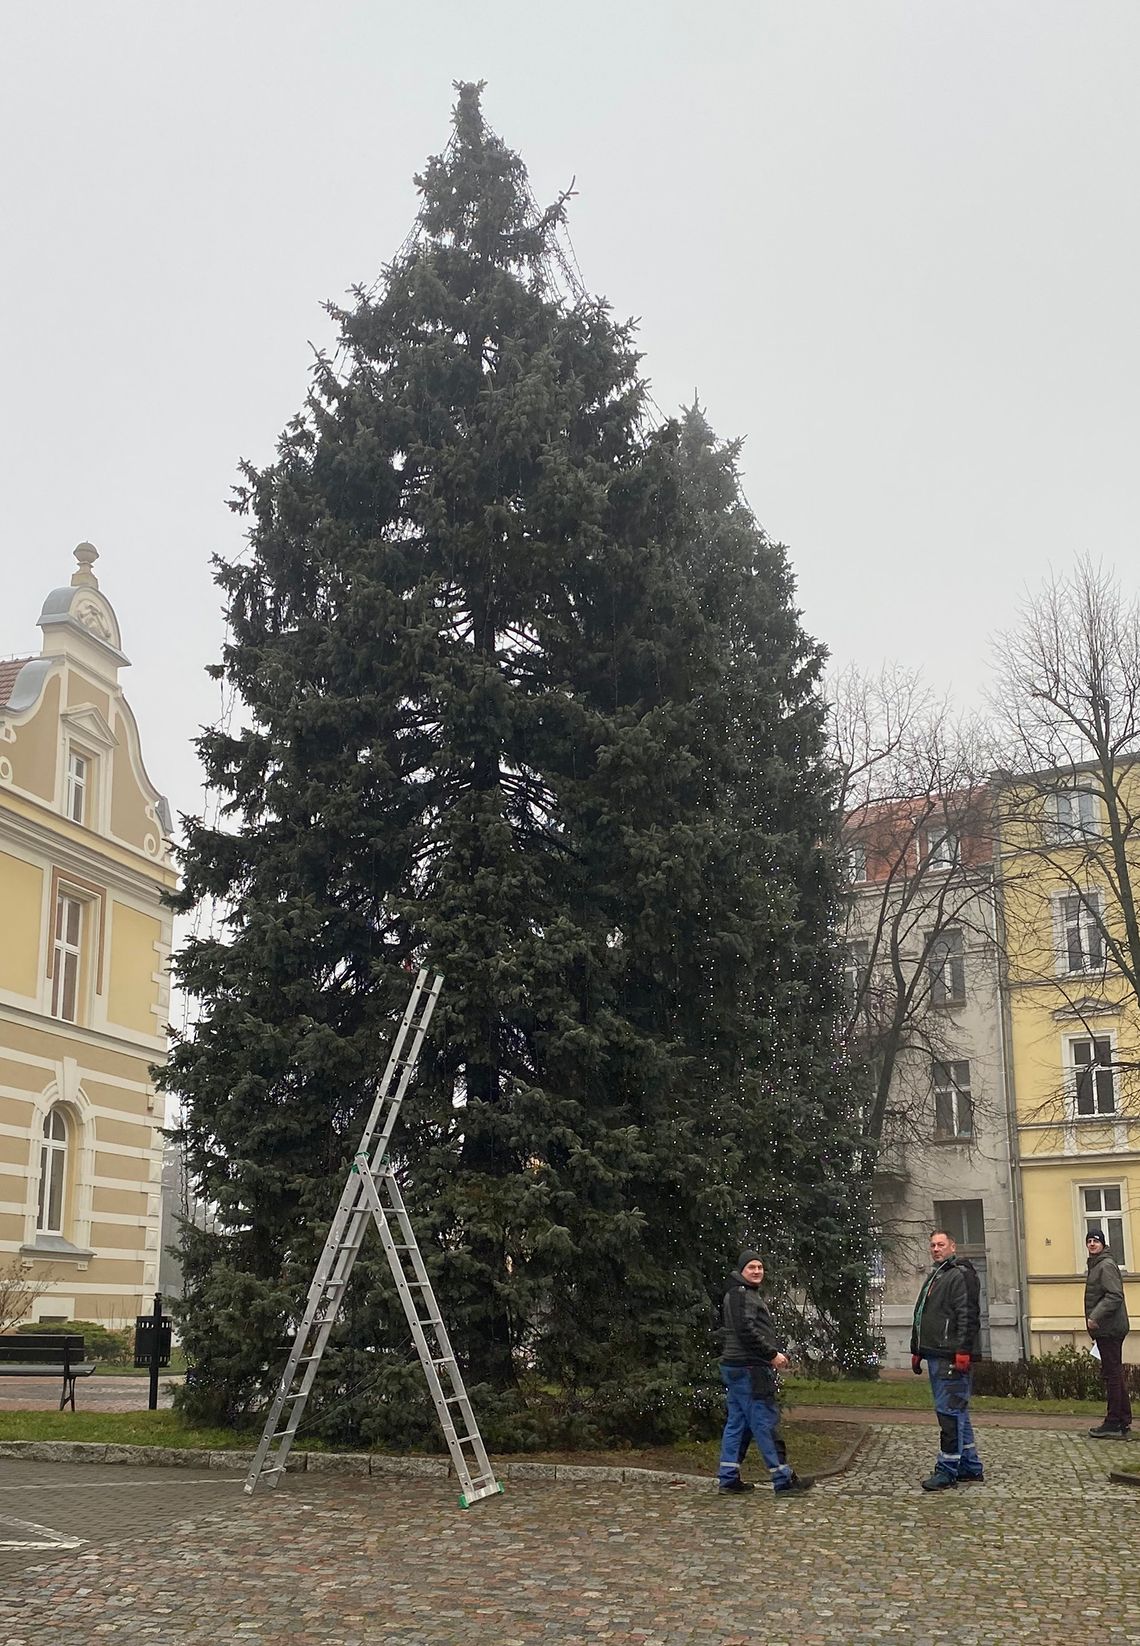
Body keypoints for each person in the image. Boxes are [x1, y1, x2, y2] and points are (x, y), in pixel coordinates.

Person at [716, 1250, 813, 1497]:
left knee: (737, 1423)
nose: (757, 1271)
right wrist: (771, 1355)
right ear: (741, 1271)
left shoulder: (741, 1293)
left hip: (738, 1366)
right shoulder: (741, 1294)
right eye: (751, 1267)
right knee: (764, 1422)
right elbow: (745, 1331)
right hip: (750, 1368)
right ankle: (783, 1479)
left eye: (760, 1267)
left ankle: (728, 1478)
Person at [910, 1229, 983, 1489]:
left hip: (950, 1354)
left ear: (953, 1246)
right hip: (937, 1351)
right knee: (957, 1411)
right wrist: (918, 1349)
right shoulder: (938, 1275)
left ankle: (947, 1469)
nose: (936, 1249)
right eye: (932, 1245)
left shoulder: (959, 1275)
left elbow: (967, 1314)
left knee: (949, 1413)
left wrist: (963, 1350)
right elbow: (923, 1314)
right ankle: (969, 1466)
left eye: (941, 1244)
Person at [1084, 1228, 1132, 1438]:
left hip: (1109, 1329)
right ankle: (1122, 1420)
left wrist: (1095, 1316)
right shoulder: (1097, 1265)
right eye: (1089, 1241)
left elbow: (1114, 1295)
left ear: (1103, 1244)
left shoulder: (1105, 1265)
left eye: (1096, 1241)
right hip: (1106, 1329)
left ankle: (1113, 1421)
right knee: (1114, 1374)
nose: (1092, 1244)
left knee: (1112, 1375)